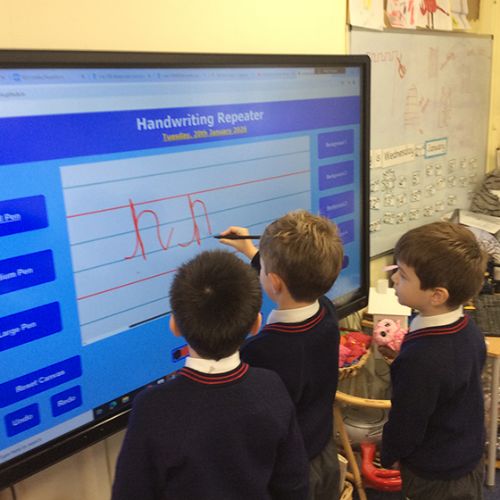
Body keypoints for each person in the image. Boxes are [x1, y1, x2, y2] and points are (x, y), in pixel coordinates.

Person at [111, 250, 309, 500]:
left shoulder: (152, 408)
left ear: (174, 325)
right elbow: (293, 486)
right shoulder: (271, 387)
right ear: (256, 325)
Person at [219, 209, 344, 500]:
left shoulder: (262, 351)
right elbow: (289, 280)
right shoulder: (326, 310)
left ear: (274, 282)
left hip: (292, 473)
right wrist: (252, 252)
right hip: (324, 453)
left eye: (262, 267)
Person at [380, 221, 488, 500]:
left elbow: (407, 421)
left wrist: (389, 454)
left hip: (436, 474)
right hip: (465, 453)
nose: (394, 279)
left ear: (437, 295)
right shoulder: (468, 328)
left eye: (403, 275)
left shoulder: (422, 357)